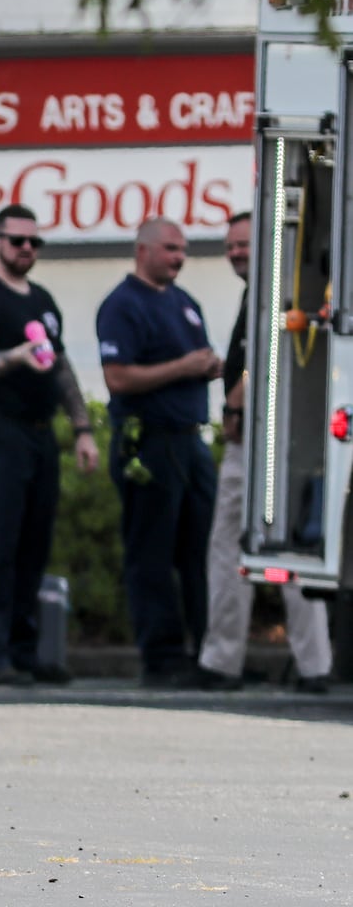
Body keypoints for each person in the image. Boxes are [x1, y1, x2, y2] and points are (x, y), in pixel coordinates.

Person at [0, 204, 100, 686]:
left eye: (35, 243)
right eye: (18, 241)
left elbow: (60, 366)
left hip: (39, 434)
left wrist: (82, 429)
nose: (27, 250)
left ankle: (22, 648)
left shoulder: (42, 300)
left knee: (34, 543)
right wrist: (16, 355)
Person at [194, 212, 333, 693]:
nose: (236, 252)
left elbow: (262, 360)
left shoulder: (269, 291)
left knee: (230, 549)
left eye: (244, 243)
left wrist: (233, 407)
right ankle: (315, 665)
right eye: (230, 245)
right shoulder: (281, 288)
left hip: (257, 443)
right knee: (292, 551)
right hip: (291, 441)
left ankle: (221, 661)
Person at [96, 217, 223, 688]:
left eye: (183, 250)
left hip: (192, 439)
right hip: (147, 441)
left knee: (201, 551)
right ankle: (162, 657)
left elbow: (194, 362)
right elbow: (119, 378)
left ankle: (209, 653)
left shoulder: (185, 303)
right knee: (152, 552)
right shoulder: (122, 305)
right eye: (170, 248)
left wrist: (210, 369)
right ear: (143, 250)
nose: (178, 257)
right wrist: (185, 366)